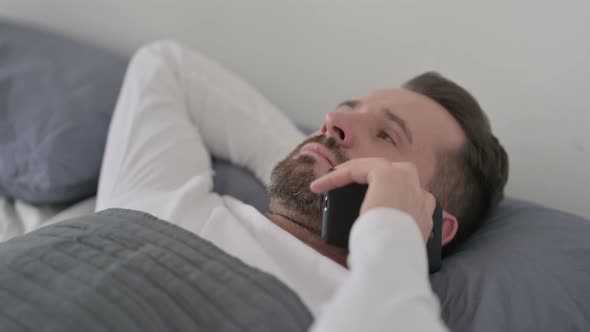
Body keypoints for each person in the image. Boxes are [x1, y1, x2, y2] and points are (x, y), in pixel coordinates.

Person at [96, 41, 508, 331]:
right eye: (347, 111)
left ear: (431, 222)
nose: (332, 119)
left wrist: (395, 233)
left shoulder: (384, 300)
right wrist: (313, 157)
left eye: (386, 135)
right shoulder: (162, 195)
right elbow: (167, 66)